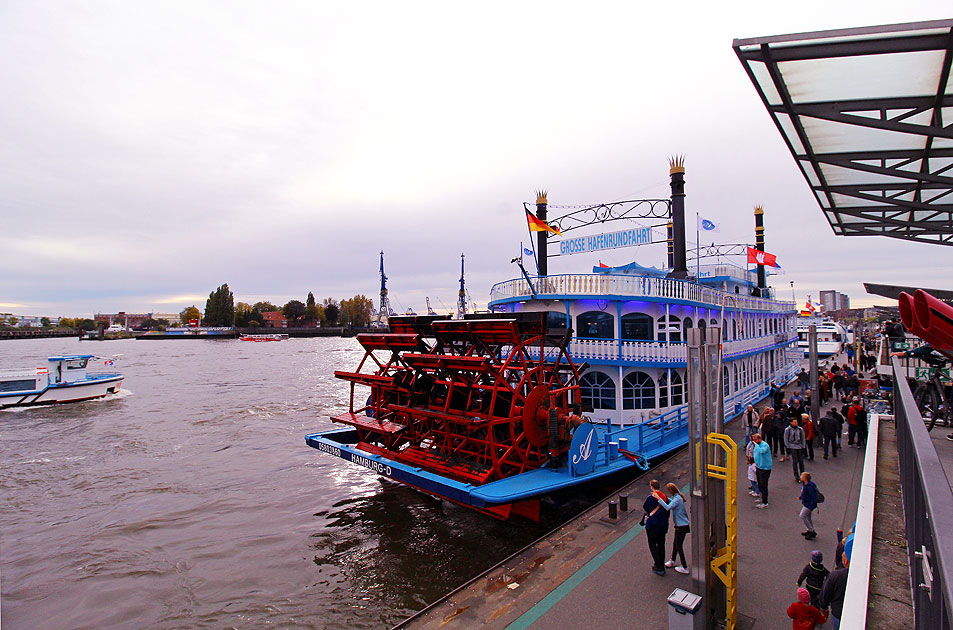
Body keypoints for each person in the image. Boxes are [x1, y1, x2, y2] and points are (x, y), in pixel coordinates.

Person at [656, 482, 690, 574]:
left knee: (679, 546)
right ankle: (673, 560)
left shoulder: (677, 499)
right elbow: (672, 502)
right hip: (682, 525)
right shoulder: (678, 497)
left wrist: (659, 499)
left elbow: (668, 507)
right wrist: (665, 498)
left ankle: (685, 567)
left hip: (681, 526)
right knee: (676, 543)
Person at [820, 534, 853, 629]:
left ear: (846, 560)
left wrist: (824, 606)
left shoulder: (836, 575)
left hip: (838, 612)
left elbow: (826, 593)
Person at [643, 479, 670, 575]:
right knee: (661, 545)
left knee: (652, 544)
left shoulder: (650, 498)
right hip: (663, 526)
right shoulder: (665, 497)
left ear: (651, 487)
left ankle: (658, 565)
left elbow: (646, 507)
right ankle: (661, 564)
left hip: (653, 525)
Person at [752, 433, 772, 508]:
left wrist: (756, 445)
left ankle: (765, 502)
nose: (754, 441)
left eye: (755, 440)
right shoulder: (757, 446)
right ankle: (762, 497)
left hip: (765, 468)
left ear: (759, 439)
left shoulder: (764, 445)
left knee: (764, 485)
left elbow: (762, 451)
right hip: (759, 467)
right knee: (760, 483)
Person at [785, 417, 807, 482]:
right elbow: (786, 439)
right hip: (792, 446)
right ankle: (796, 475)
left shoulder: (800, 429)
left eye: (796, 422)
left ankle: (802, 474)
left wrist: (803, 446)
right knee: (795, 461)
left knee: (801, 461)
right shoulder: (788, 430)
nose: (796, 423)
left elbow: (803, 438)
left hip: (799, 446)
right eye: (794, 422)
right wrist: (787, 447)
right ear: (791, 423)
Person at [798, 472, 819, 540]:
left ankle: (811, 530)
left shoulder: (809, 487)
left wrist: (810, 507)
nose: (801, 477)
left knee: (802, 516)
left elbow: (813, 498)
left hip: (808, 504)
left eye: (802, 476)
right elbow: (804, 493)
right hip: (807, 503)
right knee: (808, 517)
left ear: (805, 478)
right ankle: (810, 529)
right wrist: (801, 497)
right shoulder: (805, 484)